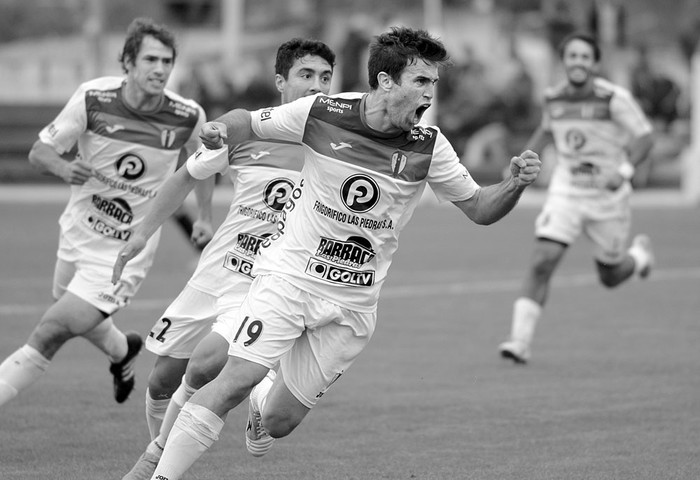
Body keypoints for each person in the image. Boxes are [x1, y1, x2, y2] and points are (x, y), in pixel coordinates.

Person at [114, 26, 541, 479]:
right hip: (289, 278)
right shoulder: (322, 112)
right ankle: (156, 472)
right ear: (385, 81)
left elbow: (478, 208)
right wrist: (221, 129)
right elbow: (248, 120)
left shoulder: (429, 146)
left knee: (279, 422)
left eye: (433, 83)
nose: (430, 94)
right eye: (421, 82)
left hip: (352, 305)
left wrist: (512, 183)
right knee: (230, 380)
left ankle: (264, 405)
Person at [116, 38, 336, 480]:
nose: (317, 87)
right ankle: (175, 445)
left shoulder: (334, 146)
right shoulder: (250, 130)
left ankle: (155, 462)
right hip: (218, 270)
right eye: (306, 75)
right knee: (162, 379)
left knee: (205, 364)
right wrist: (146, 231)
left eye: (325, 78)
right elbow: (191, 174)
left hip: (266, 281)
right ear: (280, 82)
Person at [0, 17, 208, 409]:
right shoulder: (94, 97)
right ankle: (121, 350)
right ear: (127, 62)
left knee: (51, 330)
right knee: (68, 306)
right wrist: (64, 168)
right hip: (78, 231)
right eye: (150, 59)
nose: (160, 69)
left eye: (167, 61)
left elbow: (206, 158)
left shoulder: (186, 114)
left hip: (126, 250)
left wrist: (205, 217)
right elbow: (39, 152)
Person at [498, 32, 655, 365]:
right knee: (542, 260)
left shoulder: (614, 98)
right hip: (567, 191)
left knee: (610, 276)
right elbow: (548, 130)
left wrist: (624, 172)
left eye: (585, 57)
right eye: (573, 56)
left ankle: (639, 257)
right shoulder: (554, 98)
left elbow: (645, 137)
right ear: (564, 61)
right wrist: (523, 159)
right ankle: (519, 342)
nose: (579, 62)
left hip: (608, 198)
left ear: (595, 64)